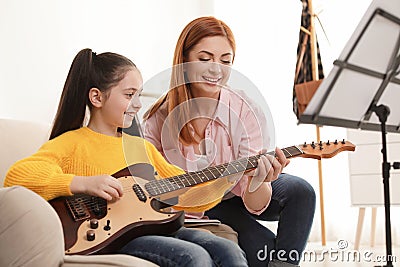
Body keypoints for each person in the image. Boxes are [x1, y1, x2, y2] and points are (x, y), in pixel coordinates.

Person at [4, 48, 248, 267]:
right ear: (97, 98)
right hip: (116, 237)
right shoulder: (72, 143)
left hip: (155, 228)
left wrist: (233, 176)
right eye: (130, 95)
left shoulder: (141, 148)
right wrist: (84, 183)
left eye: (139, 95)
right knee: (194, 258)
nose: (139, 104)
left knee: (229, 250)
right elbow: (17, 176)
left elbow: (186, 191)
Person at [143, 17, 316, 267]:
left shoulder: (245, 110)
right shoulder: (158, 119)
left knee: (301, 191)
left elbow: (254, 201)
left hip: (241, 192)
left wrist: (258, 181)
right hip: (201, 203)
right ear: (184, 60)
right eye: (205, 59)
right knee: (263, 254)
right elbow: (152, 188)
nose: (216, 69)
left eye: (225, 61)